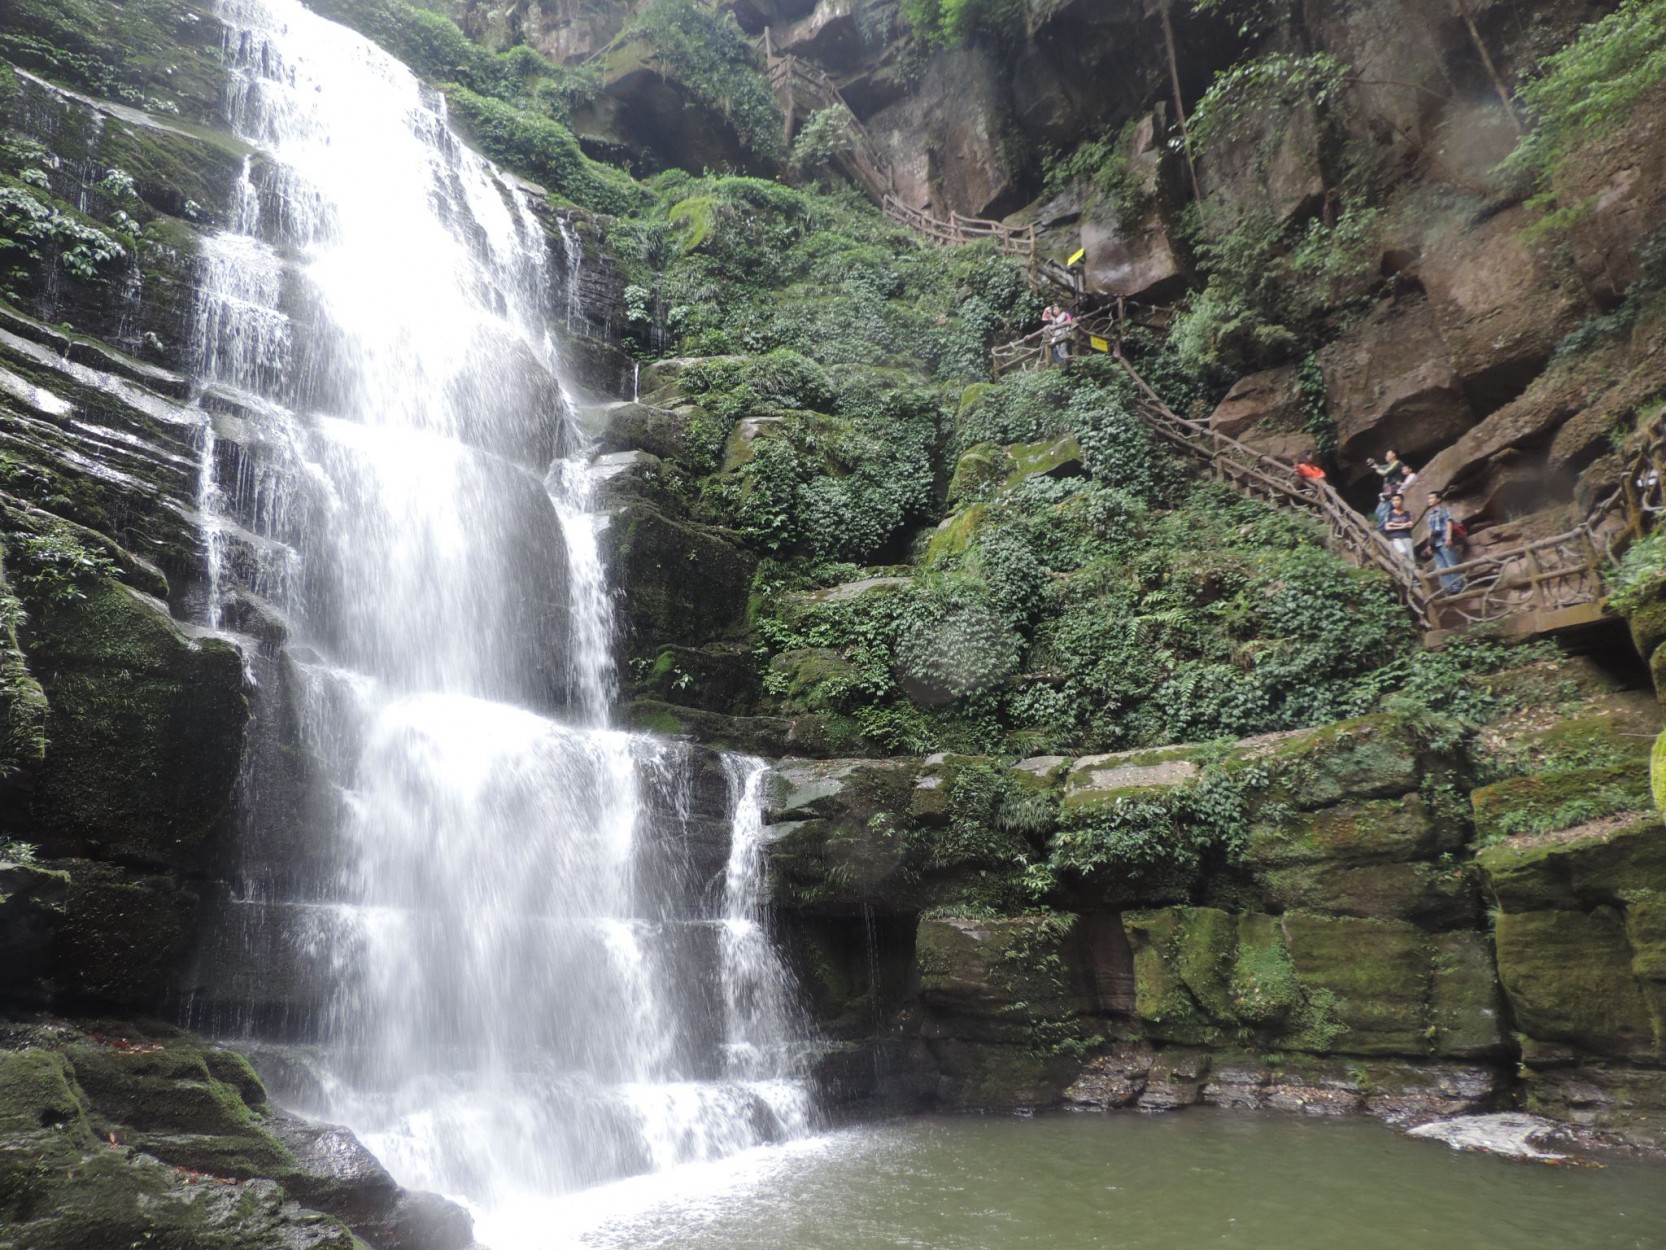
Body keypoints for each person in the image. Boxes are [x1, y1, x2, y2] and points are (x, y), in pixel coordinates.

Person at [1425, 490, 1464, 592]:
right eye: (1428, 498)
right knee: (1441, 565)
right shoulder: (1430, 514)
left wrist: (1448, 538)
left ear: (1438, 500)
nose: (1429, 500)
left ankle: (1457, 586)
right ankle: (1448, 587)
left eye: (1432, 498)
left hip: (1443, 540)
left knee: (1451, 563)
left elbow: (1449, 523)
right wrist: (1429, 544)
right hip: (1435, 543)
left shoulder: (1444, 510)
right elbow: (1429, 530)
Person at [1380, 491, 1415, 562]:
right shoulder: (1389, 514)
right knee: (1402, 553)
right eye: (1393, 500)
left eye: (1398, 500)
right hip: (1395, 538)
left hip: (1407, 537)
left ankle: (1412, 573)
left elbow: (1410, 525)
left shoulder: (1407, 513)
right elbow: (1387, 527)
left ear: (1402, 501)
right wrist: (1402, 526)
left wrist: (1393, 524)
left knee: (1411, 557)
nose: (1395, 502)